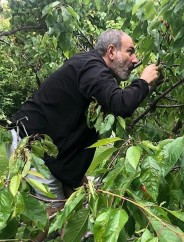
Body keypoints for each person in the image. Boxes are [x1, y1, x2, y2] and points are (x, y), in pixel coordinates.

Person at [7, 29, 160, 211]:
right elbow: (120, 104)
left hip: (45, 144)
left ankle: (67, 237)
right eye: (130, 51)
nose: (135, 60)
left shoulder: (91, 68)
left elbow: (115, 102)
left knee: (78, 199)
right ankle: (34, 240)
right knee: (53, 210)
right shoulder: (92, 67)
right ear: (111, 51)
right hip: (29, 143)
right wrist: (143, 82)